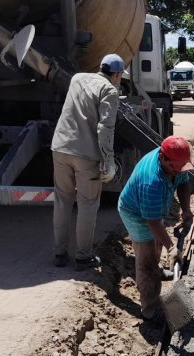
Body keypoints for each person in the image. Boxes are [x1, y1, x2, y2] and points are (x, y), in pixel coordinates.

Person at [51, 54, 124, 269]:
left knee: (62, 200)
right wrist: (108, 161)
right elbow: (105, 127)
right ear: (117, 74)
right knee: (87, 203)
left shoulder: (78, 78)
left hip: (60, 147)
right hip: (86, 154)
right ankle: (83, 257)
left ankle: (59, 254)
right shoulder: (109, 90)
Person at [117, 135, 194, 321]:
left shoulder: (176, 161)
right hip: (135, 213)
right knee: (146, 261)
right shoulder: (151, 181)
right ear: (162, 158)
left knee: (156, 247)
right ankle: (150, 310)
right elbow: (153, 222)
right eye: (174, 168)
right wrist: (172, 247)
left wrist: (185, 210)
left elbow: (183, 182)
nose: (178, 171)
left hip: (153, 209)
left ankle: (158, 271)